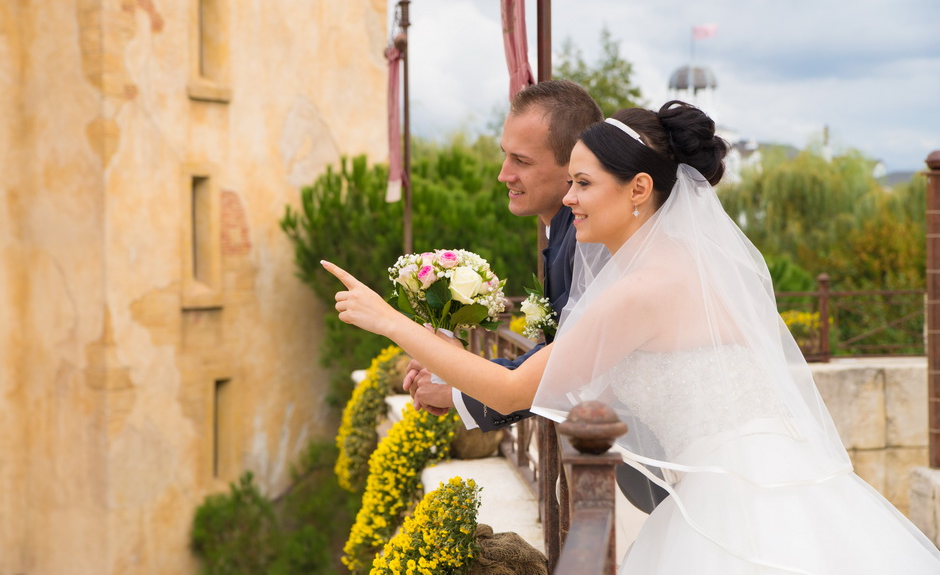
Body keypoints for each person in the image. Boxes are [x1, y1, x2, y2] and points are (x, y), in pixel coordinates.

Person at [323, 100, 940, 573]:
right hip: (785, 482)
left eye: (584, 184)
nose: (569, 200)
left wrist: (390, 320)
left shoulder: (641, 290)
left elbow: (512, 391)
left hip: (732, 507)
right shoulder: (680, 266)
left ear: (639, 189)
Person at [403, 79, 667, 514]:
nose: (504, 173)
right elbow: (566, 355)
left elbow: (569, 370)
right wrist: (457, 370)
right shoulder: (568, 233)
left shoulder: (592, 241)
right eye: (505, 154)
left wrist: (456, 386)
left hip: (656, 467)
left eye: (520, 160)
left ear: (574, 163)